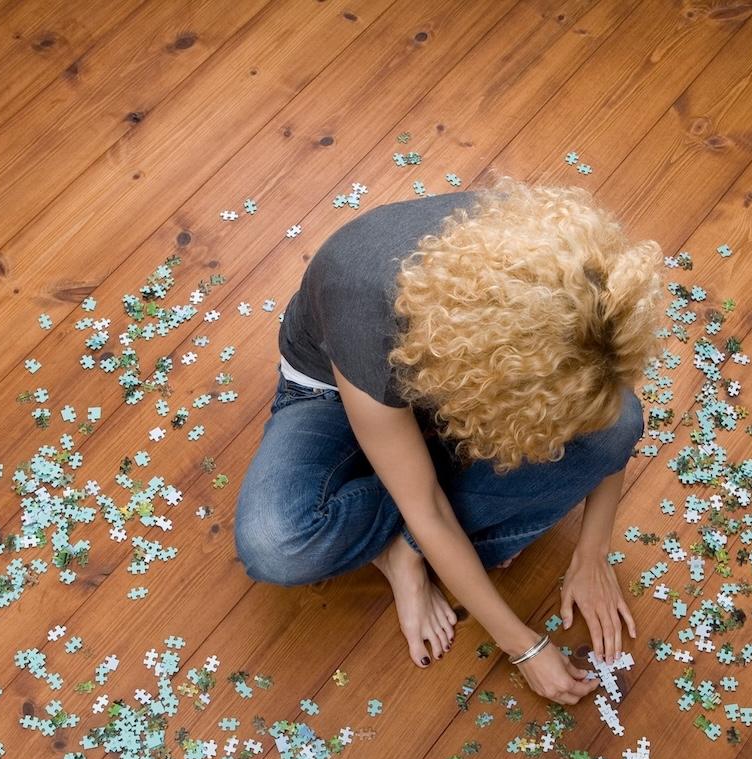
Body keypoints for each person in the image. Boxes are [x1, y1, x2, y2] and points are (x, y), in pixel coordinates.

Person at [233, 174, 664, 704]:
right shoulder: (363, 296)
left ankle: (405, 543)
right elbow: (428, 507)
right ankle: (402, 555)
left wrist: (592, 553)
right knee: (276, 544)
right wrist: (523, 647)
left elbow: (612, 420)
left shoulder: (573, 286)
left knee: (618, 422)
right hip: (336, 394)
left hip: (456, 392)